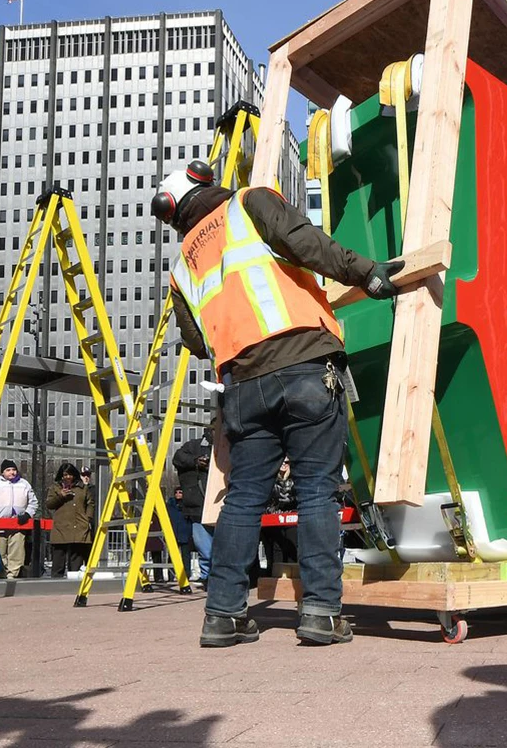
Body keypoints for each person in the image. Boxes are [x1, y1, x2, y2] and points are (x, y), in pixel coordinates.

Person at [152, 162, 403, 647]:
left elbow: (195, 340)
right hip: (304, 363)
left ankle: (223, 614)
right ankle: (322, 613)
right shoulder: (248, 203)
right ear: (204, 181)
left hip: (243, 388)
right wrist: (368, 274)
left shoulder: (182, 263)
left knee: (243, 496)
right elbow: (308, 244)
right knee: (316, 492)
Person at [172, 421, 216, 588]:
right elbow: (177, 458)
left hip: (217, 504)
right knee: (204, 546)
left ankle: (212, 576)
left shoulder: (229, 446)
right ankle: (207, 576)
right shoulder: (193, 445)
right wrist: (196, 461)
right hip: (197, 505)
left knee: (216, 546)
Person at [0, 459, 38, 578]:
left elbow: (33, 502)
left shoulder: (24, 484)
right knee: (0, 550)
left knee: (17, 550)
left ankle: (13, 574)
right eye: (8, 470)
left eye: (14, 470)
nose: (11, 472)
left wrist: (27, 515)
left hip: (19, 524)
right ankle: (2, 573)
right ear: (2, 472)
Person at [45, 462, 95, 578]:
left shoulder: (83, 488)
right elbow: (49, 504)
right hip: (61, 527)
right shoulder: (55, 488)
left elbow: (90, 504)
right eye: (65, 475)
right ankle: (56, 584)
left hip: (79, 526)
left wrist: (88, 518)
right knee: (58, 558)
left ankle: (74, 583)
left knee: (76, 560)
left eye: (70, 475)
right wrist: (61, 496)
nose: (68, 477)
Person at [166, 486, 194, 582]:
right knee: (172, 555)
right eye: (176, 492)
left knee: (186, 555)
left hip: (185, 532)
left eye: (180, 492)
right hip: (173, 533)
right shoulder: (170, 505)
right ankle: (171, 575)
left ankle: (186, 575)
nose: (178, 494)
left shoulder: (187, 506)